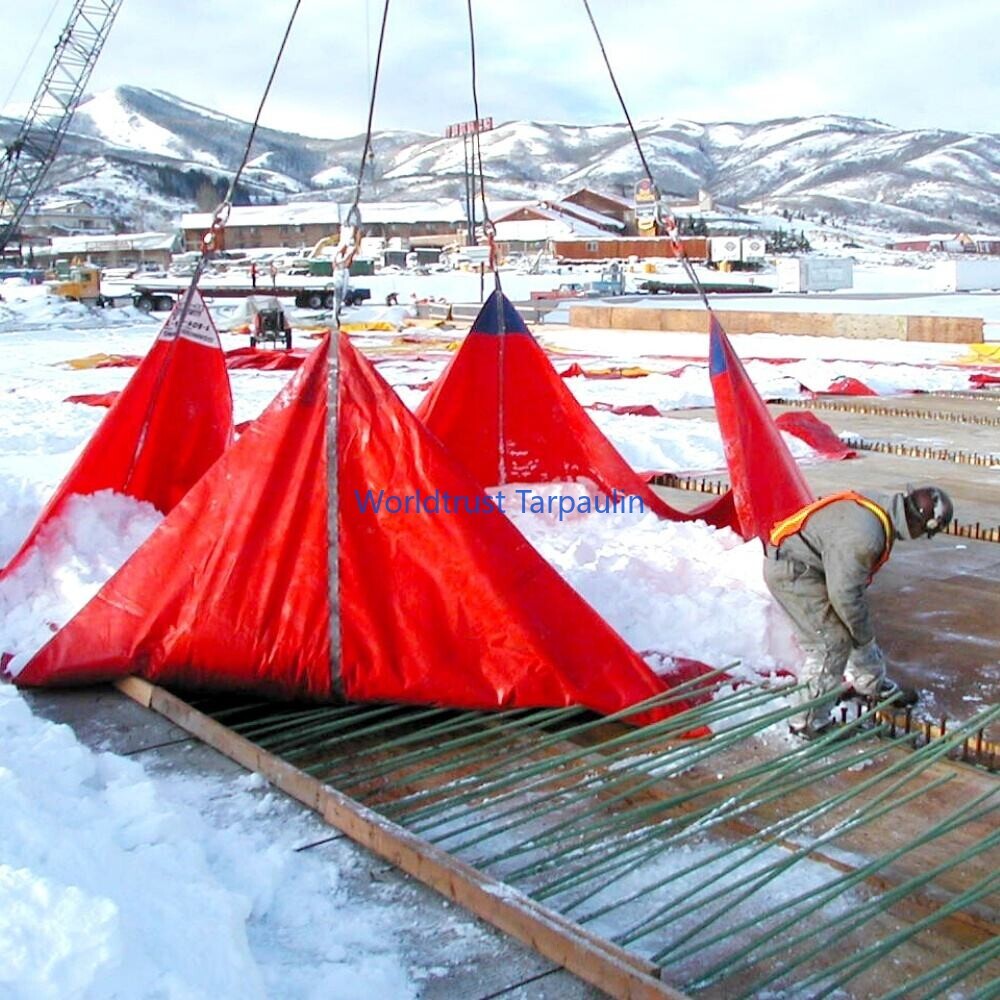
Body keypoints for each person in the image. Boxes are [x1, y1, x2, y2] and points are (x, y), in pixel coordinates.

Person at [764, 485, 954, 739]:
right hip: (793, 571)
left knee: (852, 624)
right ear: (920, 524)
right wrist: (863, 635)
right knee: (832, 642)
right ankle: (806, 724)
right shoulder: (867, 537)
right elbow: (845, 597)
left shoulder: (882, 506)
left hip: (811, 564)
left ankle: (870, 685)